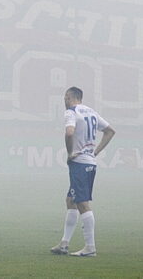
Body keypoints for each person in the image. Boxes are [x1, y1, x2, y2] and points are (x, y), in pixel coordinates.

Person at [49, 86, 116, 257]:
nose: (64, 101)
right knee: (71, 200)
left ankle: (90, 247)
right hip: (90, 162)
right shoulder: (91, 112)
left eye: (65, 98)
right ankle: (64, 243)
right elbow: (110, 131)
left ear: (69, 97)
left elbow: (69, 132)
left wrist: (70, 153)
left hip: (79, 162)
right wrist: (96, 151)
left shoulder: (71, 112)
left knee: (82, 203)